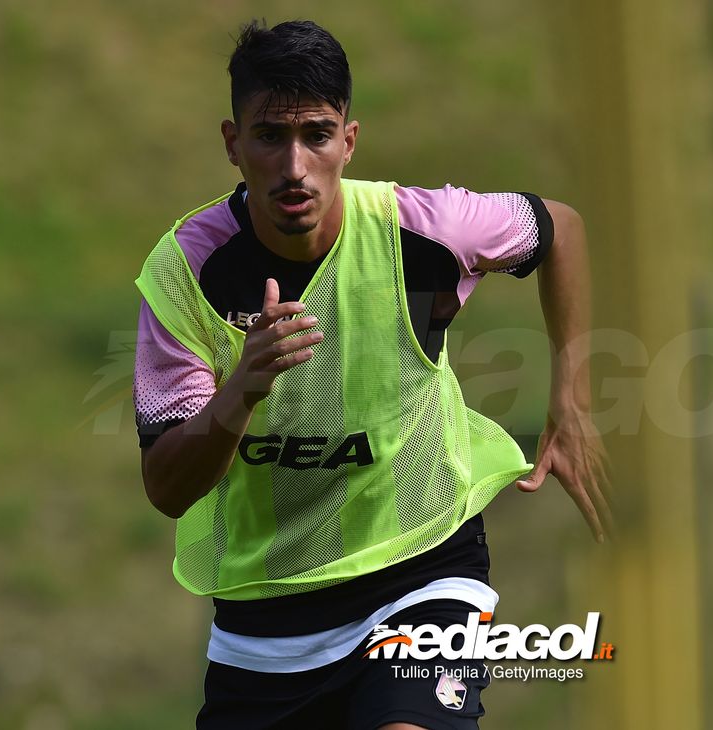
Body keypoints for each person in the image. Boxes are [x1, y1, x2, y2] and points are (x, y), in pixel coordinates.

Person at [133, 18, 611, 730]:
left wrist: (570, 403)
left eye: (317, 135)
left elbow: (560, 228)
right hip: (267, 618)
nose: (295, 165)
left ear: (348, 143)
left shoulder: (423, 232)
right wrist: (243, 390)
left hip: (420, 571)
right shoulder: (184, 275)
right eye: (270, 137)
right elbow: (168, 488)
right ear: (234, 145)